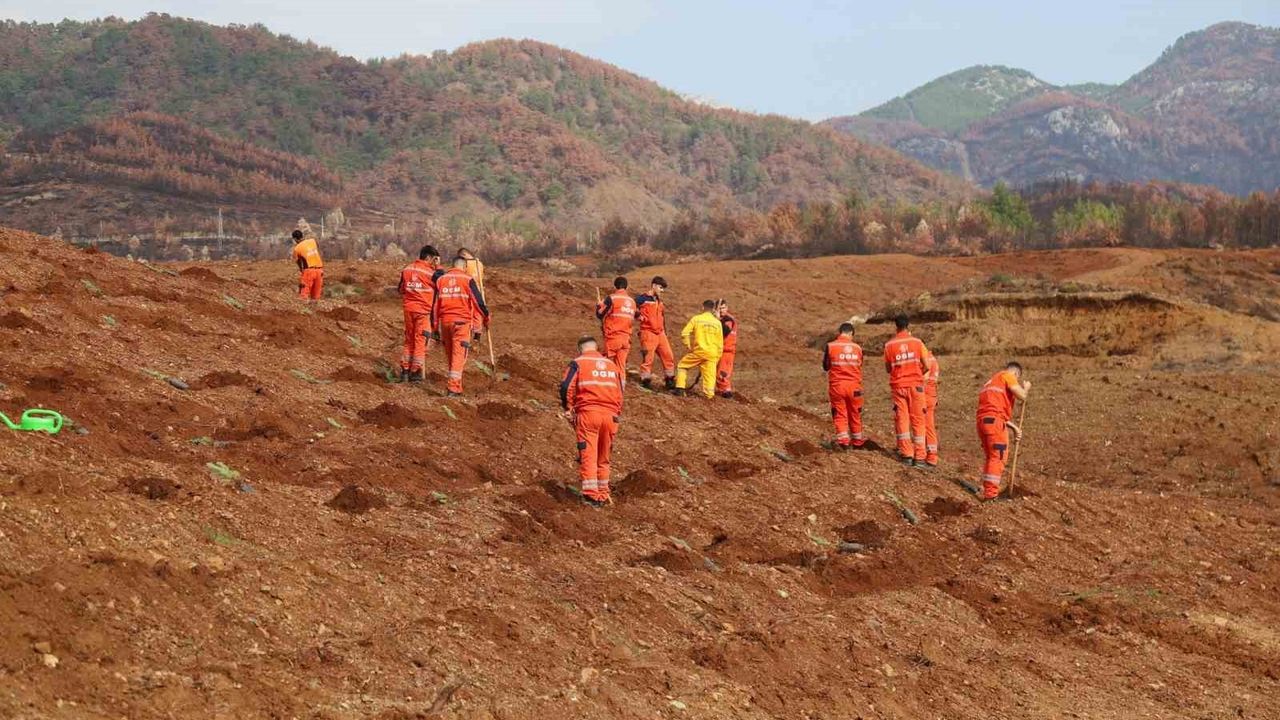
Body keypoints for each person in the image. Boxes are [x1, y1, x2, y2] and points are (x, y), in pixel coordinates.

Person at [559, 336, 624, 507]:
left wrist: (568, 407)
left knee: (588, 453)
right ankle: (603, 492)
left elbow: (566, 387)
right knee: (604, 456)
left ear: (580, 349)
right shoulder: (612, 365)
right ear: (596, 348)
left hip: (589, 414)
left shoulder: (578, 363)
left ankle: (591, 495)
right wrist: (616, 413)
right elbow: (620, 392)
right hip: (610, 416)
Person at [431, 257, 490, 396]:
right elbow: (478, 303)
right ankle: (453, 388)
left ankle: (457, 386)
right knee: (459, 355)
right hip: (461, 323)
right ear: (464, 267)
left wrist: (435, 327)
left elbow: (435, 306)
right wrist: (486, 317)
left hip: (445, 322)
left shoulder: (441, 280)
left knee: (451, 354)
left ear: (453, 265)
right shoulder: (467, 280)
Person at [976, 361, 1031, 500]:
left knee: (991, 457)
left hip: (983, 422)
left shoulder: (991, 382)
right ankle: (991, 494)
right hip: (994, 423)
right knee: (998, 457)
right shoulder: (1008, 376)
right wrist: (1026, 389)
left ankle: (988, 490)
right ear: (1016, 373)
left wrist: (1014, 428)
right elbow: (1022, 396)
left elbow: (993, 412)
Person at [882, 313, 930, 467]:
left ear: (896, 327)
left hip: (898, 386)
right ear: (908, 326)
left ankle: (907, 454)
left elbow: (888, 368)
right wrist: (917, 374)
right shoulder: (917, 342)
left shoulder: (889, 345)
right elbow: (927, 366)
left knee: (902, 419)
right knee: (918, 420)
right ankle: (920, 457)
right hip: (916, 386)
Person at [397, 245, 441, 383]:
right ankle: (416, 372)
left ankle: (405, 370)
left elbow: (401, 289)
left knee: (409, 339)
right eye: (434, 259)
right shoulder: (431, 273)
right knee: (421, 340)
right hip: (423, 312)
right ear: (428, 257)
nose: (434, 262)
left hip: (408, 310)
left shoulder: (407, 269)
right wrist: (438, 266)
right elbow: (443, 281)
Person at [824, 322, 865, 450]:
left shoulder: (831, 346)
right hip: (855, 387)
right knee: (855, 414)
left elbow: (826, 366)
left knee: (839, 413)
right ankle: (858, 442)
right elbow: (860, 364)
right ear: (851, 333)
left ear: (840, 332)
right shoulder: (858, 348)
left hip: (838, 387)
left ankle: (843, 441)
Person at [675, 300, 725, 399]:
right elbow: (720, 343)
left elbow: (685, 333)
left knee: (682, 366)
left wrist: (688, 346)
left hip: (699, 352)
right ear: (713, 309)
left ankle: (680, 389)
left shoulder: (696, 319)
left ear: (703, 307)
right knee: (710, 376)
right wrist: (717, 357)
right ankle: (709, 396)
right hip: (712, 354)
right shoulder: (717, 323)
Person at [635, 277, 676, 390]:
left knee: (668, 356)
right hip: (648, 332)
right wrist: (639, 316)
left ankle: (669, 380)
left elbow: (662, 317)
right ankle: (645, 381)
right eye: (660, 287)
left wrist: (665, 332)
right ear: (654, 285)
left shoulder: (659, 301)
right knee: (648, 358)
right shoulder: (642, 298)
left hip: (660, 333)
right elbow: (631, 307)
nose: (662, 290)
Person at [595, 277, 636, 375]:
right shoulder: (632, 302)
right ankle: (621, 384)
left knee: (602, 364)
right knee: (621, 367)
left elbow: (600, 314)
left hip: (613, 338)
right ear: (627, 287)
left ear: (615, 287)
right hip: (626, 340)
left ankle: (602, 383)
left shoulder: (612, 298)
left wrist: (599, 306)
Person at [457, 247, 487, 340]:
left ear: (464, 255)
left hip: (468, 291)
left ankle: (468, 333)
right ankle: (477, 334)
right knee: (477, 312)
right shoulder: (479, 264)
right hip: (478, 290)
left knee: (469, 311)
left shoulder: (466, 264)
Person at [290, 220, 324, 303]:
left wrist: (302, 271)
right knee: (316, 295)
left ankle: (304, 308)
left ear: (295, 239)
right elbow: (317, 247)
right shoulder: (312, 241)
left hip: (309, 271)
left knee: (304, 293)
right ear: (302, 236)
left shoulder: (297, 248)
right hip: (319, 270)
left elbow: (298, 262)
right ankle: (315, 307)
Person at [715, 299, 738, 398]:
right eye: (719, 308)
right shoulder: (717, 319)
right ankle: (722, 392)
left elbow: (725, 331)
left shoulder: (729, 320)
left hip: (727, 351)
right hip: (718, 350)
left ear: (727, 308)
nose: (721, 310)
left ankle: (726, 393)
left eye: (723, 308)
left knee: (722, 374)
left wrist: (717, 320)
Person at [922, 348, 941, 467]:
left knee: (924, 426)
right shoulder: (933, 359)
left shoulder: (926, 359)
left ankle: (928, 455)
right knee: (929, 426)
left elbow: (924, 378)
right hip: (931, 395)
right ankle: (931, 454)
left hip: (925, 395)